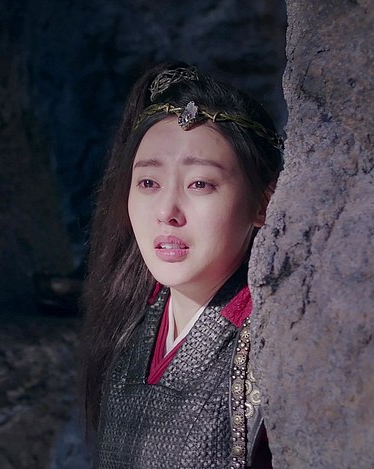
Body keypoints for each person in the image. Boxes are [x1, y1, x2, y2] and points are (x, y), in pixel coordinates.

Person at [79, 61, 284, 468]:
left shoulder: (274, 338)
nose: (166, 212)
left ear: (264, 202)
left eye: (200, 184)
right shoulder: (134, 315)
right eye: (148, 183)